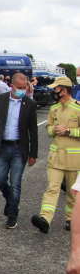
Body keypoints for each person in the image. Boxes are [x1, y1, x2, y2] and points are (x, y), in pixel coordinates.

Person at [0, 72, 38, 229]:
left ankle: (12, 215)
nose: (22, 90)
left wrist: (33, 154)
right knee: (0, 180)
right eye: (19, 87)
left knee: (15, 184)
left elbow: (33, 131)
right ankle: (11, 199)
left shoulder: (30, 104)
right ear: (12, 86)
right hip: (3, 147)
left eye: (25, 87)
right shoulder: (1, 100)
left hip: (18, 149)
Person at [31, 76, 80, 233]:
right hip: (56, 158)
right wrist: (55, 129)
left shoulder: (78, 108)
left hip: (74, 159)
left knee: (72, 193)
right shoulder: (54, 108)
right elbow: (49, 128)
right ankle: (45, 219)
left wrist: (68, 131)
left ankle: (70, 219)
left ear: (64, 91)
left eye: (55, 89)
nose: (53, 91)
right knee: (52, 188)